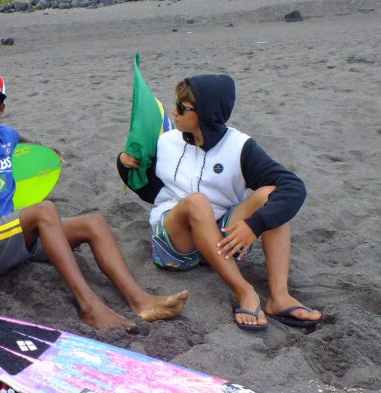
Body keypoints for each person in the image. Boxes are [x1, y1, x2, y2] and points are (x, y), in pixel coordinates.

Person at [0, 70, 188, 332]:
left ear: (1, 108)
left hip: (13, 237)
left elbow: (20, 138)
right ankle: (89, 306)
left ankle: (141, 301)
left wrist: (46, 151)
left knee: (94, 222)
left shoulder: (6, 136)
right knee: (44, 210)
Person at [117, 74, 323, 330]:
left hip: (219, 238)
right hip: (175, 245)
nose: (174, 112)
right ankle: (244, 291)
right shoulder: (166, 142)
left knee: (272, 196)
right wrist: (125, 164)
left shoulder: (240, 147)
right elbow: (150, 192)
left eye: (182, 107)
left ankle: (279, 296)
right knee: (197, 202)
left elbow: (293, 187)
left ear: (205, 113)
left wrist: (254, 225)